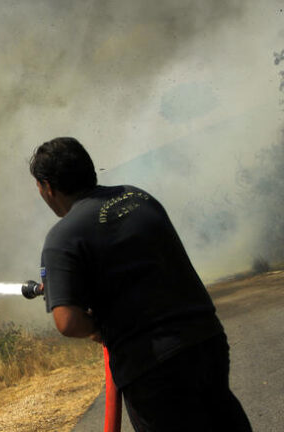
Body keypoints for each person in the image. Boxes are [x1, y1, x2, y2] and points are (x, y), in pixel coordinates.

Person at [29, 137, 251, 431]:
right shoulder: (137, 197)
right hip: (205, 339)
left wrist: (97, 328)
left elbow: (68, 322)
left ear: (47, 187)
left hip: (153, 366)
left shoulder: (62, 238)